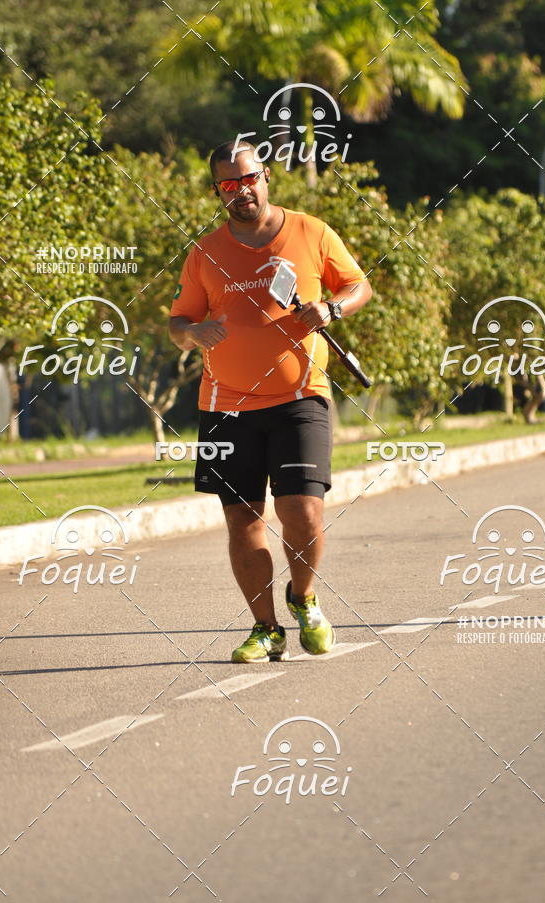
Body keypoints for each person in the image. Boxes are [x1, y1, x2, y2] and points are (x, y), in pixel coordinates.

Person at [169, 140, 372, 663]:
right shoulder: (205, 251)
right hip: (225, 405)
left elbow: (358, 285)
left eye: (248, 179)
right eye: (228, 186)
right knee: (244, 521)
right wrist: (196, 332)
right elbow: (177, 324)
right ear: (218, 191)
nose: (241, 191)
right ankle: (266, 630)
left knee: (302, 511)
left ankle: (303, 597)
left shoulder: (311, 231)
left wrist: (333, 309)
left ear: (266, 176)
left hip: (300, 395)